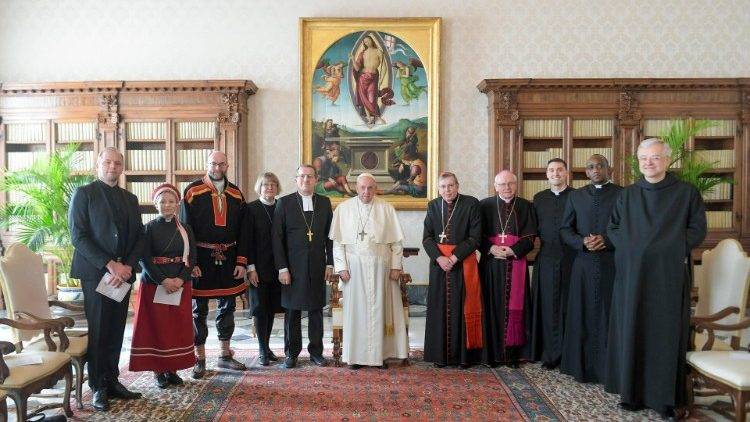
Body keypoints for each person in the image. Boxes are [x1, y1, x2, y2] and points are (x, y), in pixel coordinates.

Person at [605, 138, 706, 419]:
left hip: (667, 277)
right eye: (643, 158)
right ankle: (632, 394)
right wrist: (631, 248)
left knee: (665, 334)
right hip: (632, 276)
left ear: (667, 160)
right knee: (632, 329)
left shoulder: (686, 193)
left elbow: (696, 230)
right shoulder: (627, 195)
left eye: (655, 157)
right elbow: (613, 227)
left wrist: (666, 248)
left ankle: (664, 399)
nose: (648, 163)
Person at [68, 147, 144, 411]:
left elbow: (138, 238)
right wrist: (110, 265)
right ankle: (98, 387)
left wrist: (127, 267)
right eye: (108, 162)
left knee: (115, 329)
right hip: (96, 274)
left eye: (117, 163)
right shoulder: (84, 194)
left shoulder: (130, 199)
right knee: (99, 330)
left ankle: (112, 380)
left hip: (122, 275)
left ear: (122, 167)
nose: (113, 166)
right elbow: (78, 236)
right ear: (98, 164)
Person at [180, 151, 248, 378]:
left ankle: (225, 355)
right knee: (198, 310)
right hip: (202, 259)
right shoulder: (192, 191)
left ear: (227, 165)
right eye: (213, 163)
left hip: (229, 259)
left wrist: (241, 261)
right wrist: (192, 263)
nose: (217, 168)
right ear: (206, 164)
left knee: (227, 307)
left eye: (221, 164)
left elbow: (243, 232)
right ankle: (199, 358)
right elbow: (185, 230)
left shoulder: (236, 194)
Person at [329, 173, 408, 368]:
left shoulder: (386, 209)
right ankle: (356, 357)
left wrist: (396, 266)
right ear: (357, 187)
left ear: (376, 188)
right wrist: (341, 268)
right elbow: (338, 244)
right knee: (356, 313)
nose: (366, 192)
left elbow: (396, 243)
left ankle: (380, 356)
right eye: (363, 188)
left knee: (381, 310)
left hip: (382, 266)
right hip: (354, 269)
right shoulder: (344, 209)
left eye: (370, 188)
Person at [559, 154, 622, 383]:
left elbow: (629, 228)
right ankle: (581, 369)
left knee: (609, 314)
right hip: (583, 266)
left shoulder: (622, 194)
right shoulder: (576, 196)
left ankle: (609, 370)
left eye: (600, 165)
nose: (596, 169)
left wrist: (607, 240)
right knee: (581, 313)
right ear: (585, 172)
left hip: (612, 265)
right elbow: (565, 230)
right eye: (591, 167)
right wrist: (582, 242)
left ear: (609, 169)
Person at [130, 183, 196, 388]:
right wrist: (163, 280)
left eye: (170, 201)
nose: (166, 205)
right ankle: (158, 371)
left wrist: (180, 279)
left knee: (175, 329)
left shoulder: (185, 228)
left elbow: (192, 256)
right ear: (155, 204)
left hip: (180, 285)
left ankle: (172, 369)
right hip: (154, 285)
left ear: (177, 204)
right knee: (156, 329)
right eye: (162, 201)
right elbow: (144, 259)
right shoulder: (147, 228)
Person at [272, 164, 334, 368]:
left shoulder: (324, 203)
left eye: (309, 176)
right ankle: (292, 353)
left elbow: (330, 238)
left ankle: (316, 352)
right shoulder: (284, 203)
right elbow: (277, 239)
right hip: (292, 268)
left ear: (316, 179)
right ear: (296, 179)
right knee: (292, 311)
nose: (306, 180)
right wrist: (282, 268)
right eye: (302, 176)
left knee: (316, 309)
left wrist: (330, 263)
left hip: (317, 266)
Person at [422, 172, 483, 368]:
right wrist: (440, 258)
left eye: (450, 186)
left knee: (462, 306)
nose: (447, 190)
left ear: (457, 185)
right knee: (440, 308)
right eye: (443, 187)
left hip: (462, 264)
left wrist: (454, 257)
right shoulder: (433, 206)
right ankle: (440, 356)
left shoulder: (471, 204)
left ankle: (463, 357)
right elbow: (427, 238)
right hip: (440, 266)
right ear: (438, 189)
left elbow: (475, 238)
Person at [479, 170, 537, 368]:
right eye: (502, 184)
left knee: (516, 309)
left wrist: (512, 250)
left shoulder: (526, 206)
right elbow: (476, 235)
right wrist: (491, 248)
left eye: (510, 183)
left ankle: (513, 355)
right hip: (491, 266)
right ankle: (491, 354)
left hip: (516, 264)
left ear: (516, 184)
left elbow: (530, 238)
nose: (507, 188)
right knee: (490, 307)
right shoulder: (484, 205)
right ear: (495, 186)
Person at [525, 158, 575, 369]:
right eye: (551, 170)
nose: (555, 173)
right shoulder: (538, 198)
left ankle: (568, 355)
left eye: (559, 170)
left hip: (571, 259)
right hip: (545, 259)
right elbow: (531, 230)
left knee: (567, 306)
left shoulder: (577, 196)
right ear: (547, 174)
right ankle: (547, 353)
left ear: (566, 173)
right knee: (545, 306)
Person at [246, 172, 284, 366]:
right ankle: (262, 349)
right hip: (258, 268)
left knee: (270, 309)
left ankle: (267, 347)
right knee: (260, 309)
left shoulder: (281, 207)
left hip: (277, 268)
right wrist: (250, 268)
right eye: (265, 185)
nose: (269, 188)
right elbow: (247, 241)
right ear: (259, 187)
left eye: (273, 185)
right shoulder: (251, 209)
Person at [350, 34, 394, 125]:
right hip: (362, 78)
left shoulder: (379, 51)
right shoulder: (363, 53)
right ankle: (370, 119)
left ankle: (377, 117)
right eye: (365, 42)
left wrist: (381, 79)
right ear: (364, 43)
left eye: (368, 40)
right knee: (365, 99)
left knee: (372, 98)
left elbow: (384, 67)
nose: (367, 42)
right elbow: (357, 69)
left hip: (373, 78)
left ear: (372, 41)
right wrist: (353, 59)